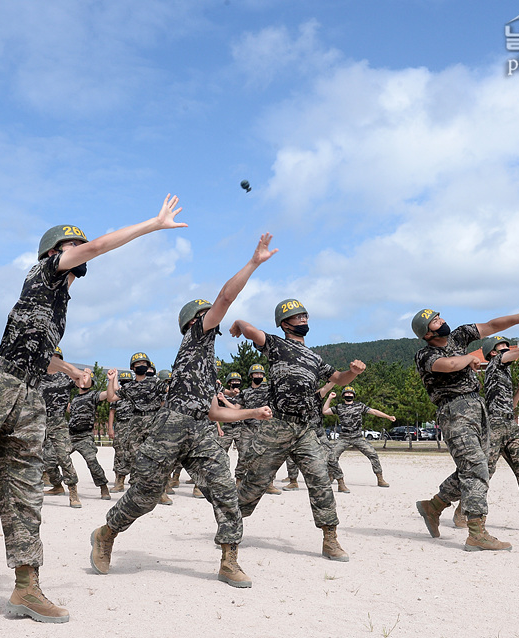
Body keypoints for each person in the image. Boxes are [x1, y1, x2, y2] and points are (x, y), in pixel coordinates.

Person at [0, 195, 187, 624]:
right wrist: (153, 225)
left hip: (29, 398)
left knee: (25, 494)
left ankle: (26, 588)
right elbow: (98, 246)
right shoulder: (42, 274)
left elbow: (38, 355)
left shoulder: (60, 302)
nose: (79, 258)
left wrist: (71, 370)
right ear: (54, 253)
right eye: (71, 249)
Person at [90, 233, 276, 588]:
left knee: (225, 492)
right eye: (208, 316)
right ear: (194, 322)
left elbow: (214, 413)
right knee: (144, 495)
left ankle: (229, 560)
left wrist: (251, 414)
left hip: (200, 432)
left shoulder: (208, 364)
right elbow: (225, 297)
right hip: (170, 428)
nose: (215, 319)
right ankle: (107, 533)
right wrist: (253, 262)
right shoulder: (195, 339)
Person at [230, 299, 365, 562]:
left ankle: (330, 540)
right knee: (254, 483)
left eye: (305, 316)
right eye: (298, 316)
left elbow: (337, 378)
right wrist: (238, 323)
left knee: (320, 481)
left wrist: (352, 372)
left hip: (305, 429)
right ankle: (230, 529)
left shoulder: (314, 357)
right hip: (277, 426)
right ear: (284, 323)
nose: (304, 320)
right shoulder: (276, 345)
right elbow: (250, 331)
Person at [411, 300, 519, 552]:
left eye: (440, 317)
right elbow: (449, 365)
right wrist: (468, 359)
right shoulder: (425, 355)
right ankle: (476, 532)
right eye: (435, 321)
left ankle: (434, 506)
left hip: (478, 407)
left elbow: (492, 325)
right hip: (454, 410)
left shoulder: (459, 336)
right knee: (475, 467)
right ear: (427, 334)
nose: (441, 321)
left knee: (477, 466)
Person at [450, 336, 519, 534]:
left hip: (509, 425)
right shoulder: (496, 362)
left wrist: (518, 393)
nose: (507, 348)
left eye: (507, 346)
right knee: (482, 473)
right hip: (494, 427)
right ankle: (461, 511)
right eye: (502, 346)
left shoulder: (503, 372)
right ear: (493, 352)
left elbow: (508, 408)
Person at [105, 352, 169, 503]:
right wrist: (110, 380)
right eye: (138, 364)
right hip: (136, 422)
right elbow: (111, 398)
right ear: (133, 368)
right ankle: (137, 489)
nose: (141, 366)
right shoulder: (130, 387)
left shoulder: (155, 383)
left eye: (144, 364)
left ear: (148, 366)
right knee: (134, 457)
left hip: (154, 420)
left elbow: (171, 392)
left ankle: (161, 491)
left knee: (157, 456)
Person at [39, 347, 88, 508]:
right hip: (38, 420)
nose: (54, 360)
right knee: (35, 456)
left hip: (58, 421)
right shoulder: (37, 377)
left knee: (64, 457)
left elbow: (85, 383)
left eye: (57, 357)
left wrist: (85, 375)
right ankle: (51, 486)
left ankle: (73, 491)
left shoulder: (66, 377)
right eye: (51, 356)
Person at [324, 386, 396, 491]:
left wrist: (388, 416)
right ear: (343, 395)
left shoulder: (359, 406)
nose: (349, 395)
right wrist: (329, 398)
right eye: (347, 393)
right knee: (332, 456)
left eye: (350, 393)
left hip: (358, 437)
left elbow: (374, 412)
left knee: (373, 454)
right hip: (344, 437)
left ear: (354, 395)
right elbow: (325, 411)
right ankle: (331, 476)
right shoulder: (339, 407)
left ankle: (380, 478)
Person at [67, 377, 114, 500]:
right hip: (70, 435)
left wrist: (110, 381)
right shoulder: (75, 398)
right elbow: (69, 410)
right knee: (52, 458)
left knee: (92, 462)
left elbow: (108, 394)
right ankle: (57, 485)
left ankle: (103, 487)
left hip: (85, 437)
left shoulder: (93, 395)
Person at [106, 369, 136, 492]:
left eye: (128, 382)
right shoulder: (118, 395)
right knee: (119, 453)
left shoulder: (135, 393)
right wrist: (110, 428)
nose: (126, 384)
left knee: (135, 452)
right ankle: (119, 482)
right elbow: (112, 412)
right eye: (123, 382)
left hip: (134, 424)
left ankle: (135, 483)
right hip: (121, 425)